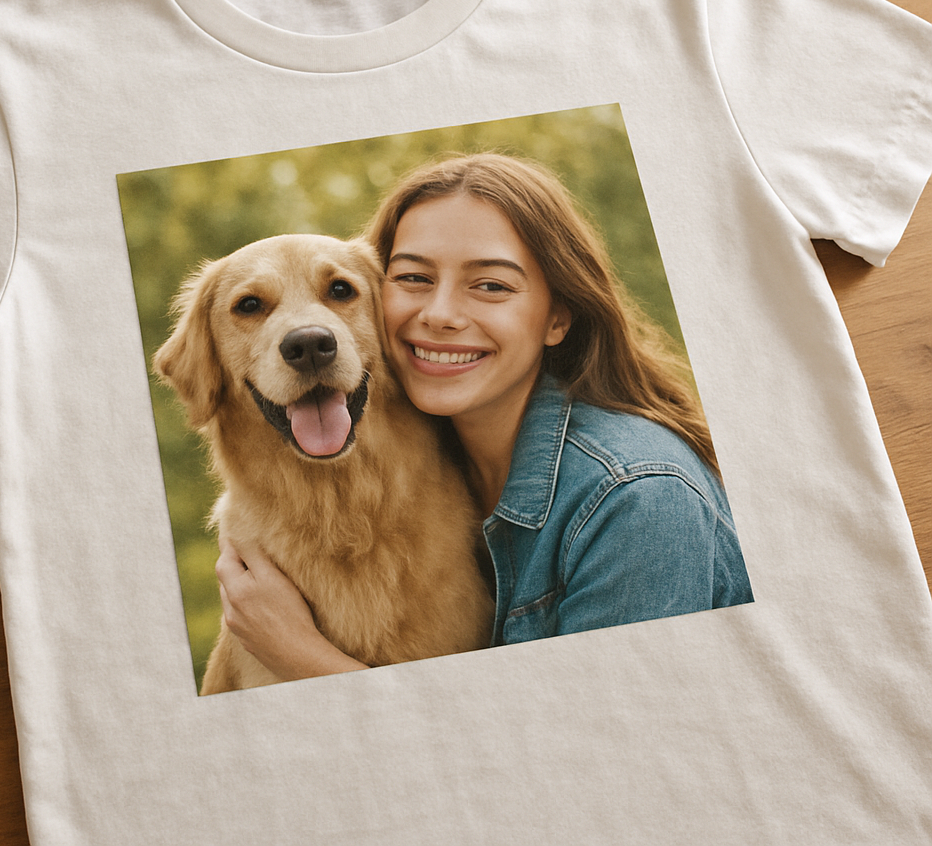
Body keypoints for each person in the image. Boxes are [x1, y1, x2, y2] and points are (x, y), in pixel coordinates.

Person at [215, 153, 753, 680]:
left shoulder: (638, 500)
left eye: (491, 285)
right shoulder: (418, 463)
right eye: (414, 279)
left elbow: (597, 747)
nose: (441, 315)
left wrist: (301, 657)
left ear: (557, 319)